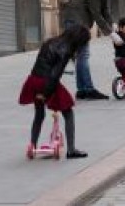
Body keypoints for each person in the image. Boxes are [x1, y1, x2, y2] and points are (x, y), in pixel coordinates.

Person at [18, 25, 91, 159]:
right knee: (68, 110)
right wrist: (45, 93)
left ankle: (33, 145)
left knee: (39, 114)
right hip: (47, 82)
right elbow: (54, 74)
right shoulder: (66, 50)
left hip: (34, 78)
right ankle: (71, 150)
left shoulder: (50, 42)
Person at [61, 0, 125, 100]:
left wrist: (112, 24)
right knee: (83, 55)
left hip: (76, 20)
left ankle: (82, 90)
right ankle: (88, 89)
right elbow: (96, 13)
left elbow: (104, 9)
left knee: (81, 55)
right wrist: (110, 34)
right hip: (76, 21)